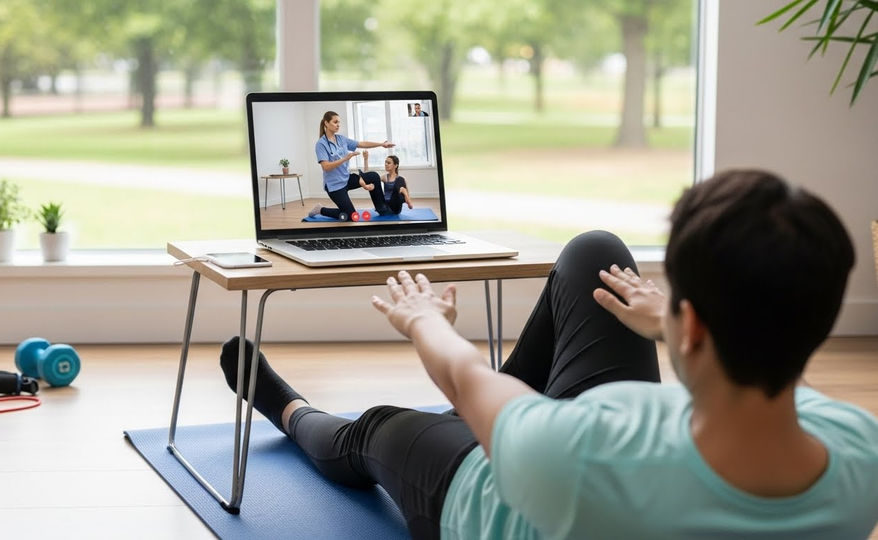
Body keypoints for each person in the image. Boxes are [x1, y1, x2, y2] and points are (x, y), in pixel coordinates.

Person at [221, 169, 878, 539]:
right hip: (580, 447)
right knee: (595, 252)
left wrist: (425, 320)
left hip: (479, 495)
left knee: (376, 430)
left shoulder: (575, 449)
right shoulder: (860, 449)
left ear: (697, 328)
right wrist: (662, 321)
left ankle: (289, 409)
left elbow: (462, 373)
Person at [309, 110, 396, 221]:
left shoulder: (341, 139)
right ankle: (320, 209)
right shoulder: (321, 144)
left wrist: (381, 144)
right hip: (334, 185)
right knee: (350, 216)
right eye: (335, 122)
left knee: (373, 176)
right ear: (326, 123)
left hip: (347, 178)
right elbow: (326, 166)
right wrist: (345, 158)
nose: (338, 125)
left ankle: (382, 208)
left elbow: (361, 143)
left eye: (339, 122)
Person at [359, 150, 413, 215]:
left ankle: (406, 196)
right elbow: (368, 177)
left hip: (394, 208)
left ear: (395, 165)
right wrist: (366, 159)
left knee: (400, 179)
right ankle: (369, 187)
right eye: (385, 162)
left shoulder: (401, 180)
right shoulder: (385, 177)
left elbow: (408, 197)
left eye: (389, 163)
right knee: (374, 177)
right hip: (383, 207)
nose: (386, 164)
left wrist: (406, 196)